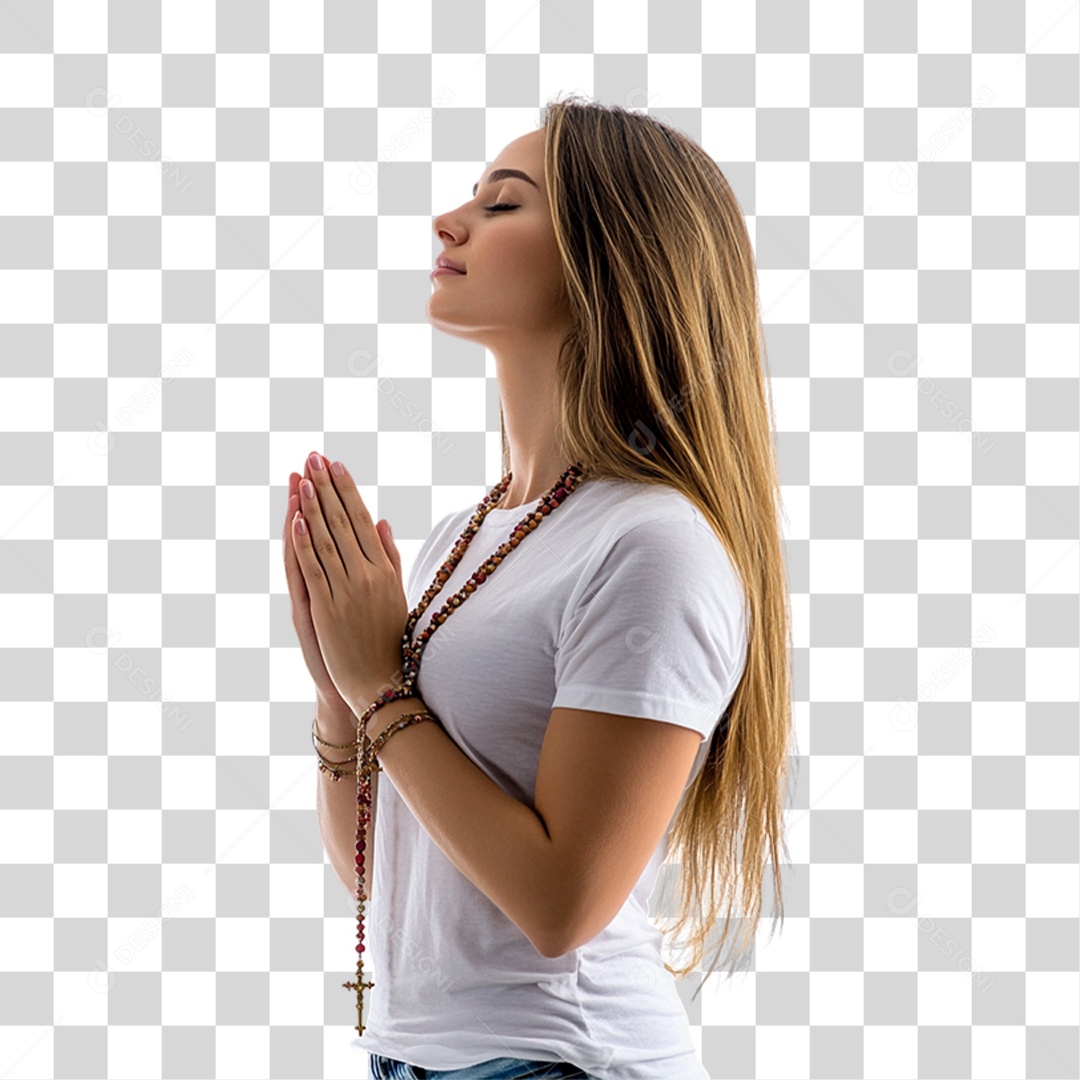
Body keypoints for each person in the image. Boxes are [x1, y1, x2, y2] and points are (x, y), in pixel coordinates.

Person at [301, 94, 794, 1080]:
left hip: (561, 1064)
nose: (451, 223)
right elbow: (385, 873)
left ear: (610, 261)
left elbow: (563, 905)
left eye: (503, 204)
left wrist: (380, 691)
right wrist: (337, 694)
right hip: (408, 1060)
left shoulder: (652, 547)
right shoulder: (460, 541)